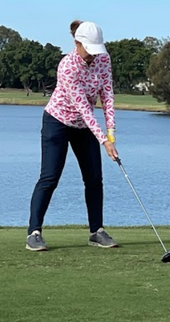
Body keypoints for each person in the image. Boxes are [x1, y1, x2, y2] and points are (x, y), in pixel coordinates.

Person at [26, 20, 119, 252]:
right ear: (77, 43)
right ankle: (34, 233)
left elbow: (107, 97)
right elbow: (83, 109)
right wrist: (103, 141)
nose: (92, 56)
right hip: (57, 122)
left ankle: (96, 231)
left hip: (84, 128)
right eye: (89, 50)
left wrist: (111, 134)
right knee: (50, 177)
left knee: (94, 179)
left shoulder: (103, 60)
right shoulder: (67, 66)